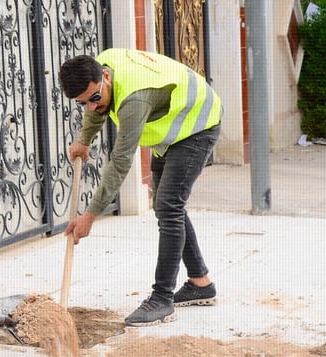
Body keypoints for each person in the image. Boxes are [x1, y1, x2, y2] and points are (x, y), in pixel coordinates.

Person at [59, 49, 222, 327]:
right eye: (82, 103)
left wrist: (90, 215)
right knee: (167, 205)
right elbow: (99, 108)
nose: (91, 106)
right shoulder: (102, 67)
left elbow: (121, 162)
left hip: (197, 124)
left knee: (169, 207)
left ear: (106, 77)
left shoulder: (133, 100)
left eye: (94, 97)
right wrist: (84, 139)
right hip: (171, 130)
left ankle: (162, 299)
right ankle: (200, 283)